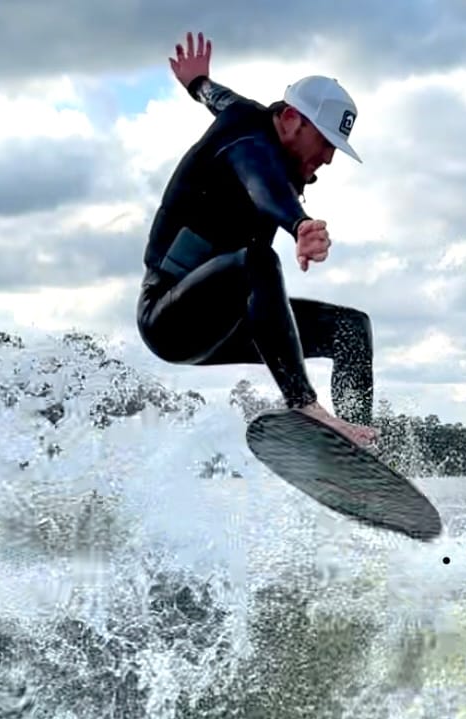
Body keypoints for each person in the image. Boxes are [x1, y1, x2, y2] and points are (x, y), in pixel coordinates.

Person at [136, 30, 376, 447]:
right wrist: (299, 224)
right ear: (289, 120)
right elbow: (261, 181)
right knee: (257, 261)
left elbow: (220, 98)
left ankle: (359, 445)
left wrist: (198, 83)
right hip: (170, 316)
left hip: (233, 317)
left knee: (351, 329)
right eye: (324, 142)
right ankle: (304, 406)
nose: (329, 158)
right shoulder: (249, 140)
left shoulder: (248, 118)